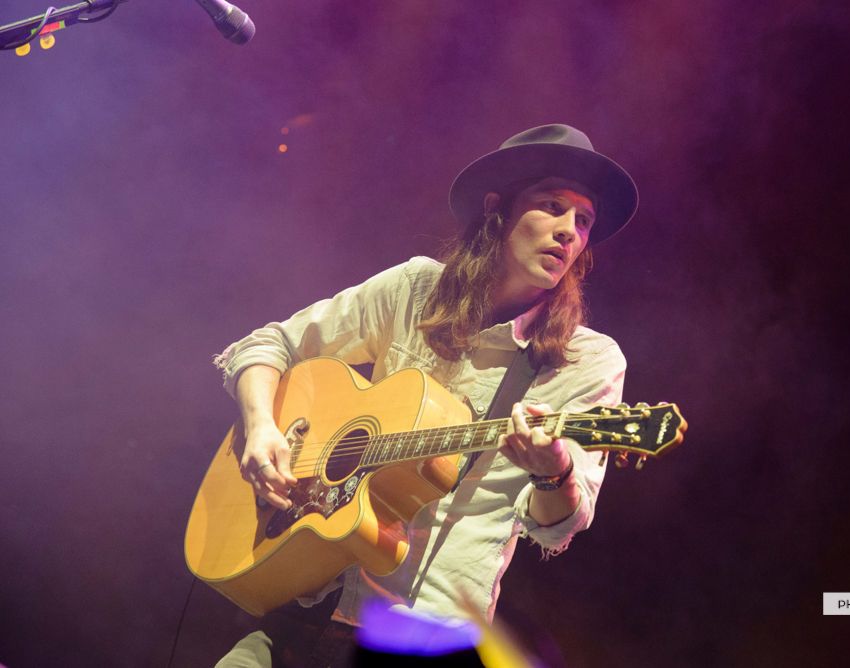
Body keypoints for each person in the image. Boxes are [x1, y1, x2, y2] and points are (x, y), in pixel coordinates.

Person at [213, 124, 638, 667]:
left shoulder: (588, 359)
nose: (569, 232)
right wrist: (262, 429)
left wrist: (553, 469)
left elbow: (558, 523)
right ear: (497, 209)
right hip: (313, 599)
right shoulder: (414, 289)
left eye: (583, 220)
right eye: (552, 206)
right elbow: (268, 345)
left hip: (428, 635)